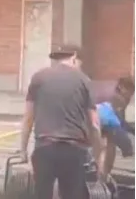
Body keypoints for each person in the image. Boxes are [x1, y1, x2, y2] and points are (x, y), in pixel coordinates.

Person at [19, 44, 102, 199]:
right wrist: (98, 154)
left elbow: (28, 117)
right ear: (74, 57)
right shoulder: (84, 80)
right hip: (73, 150)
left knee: (42, 194)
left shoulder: (39, 78)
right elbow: (95, 124)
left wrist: (23, 150)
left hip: (44, 148)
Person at [96, 76, 134, 177]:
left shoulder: (122, 96)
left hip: (98, 120)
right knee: (117, 141)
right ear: (122, 87)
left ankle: (103, 173)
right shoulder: (118, 97)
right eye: (130, 91)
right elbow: (119, 121)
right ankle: (104, 172)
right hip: (103, 119)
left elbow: (120, 119)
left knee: (108, 144)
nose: (130, 95)